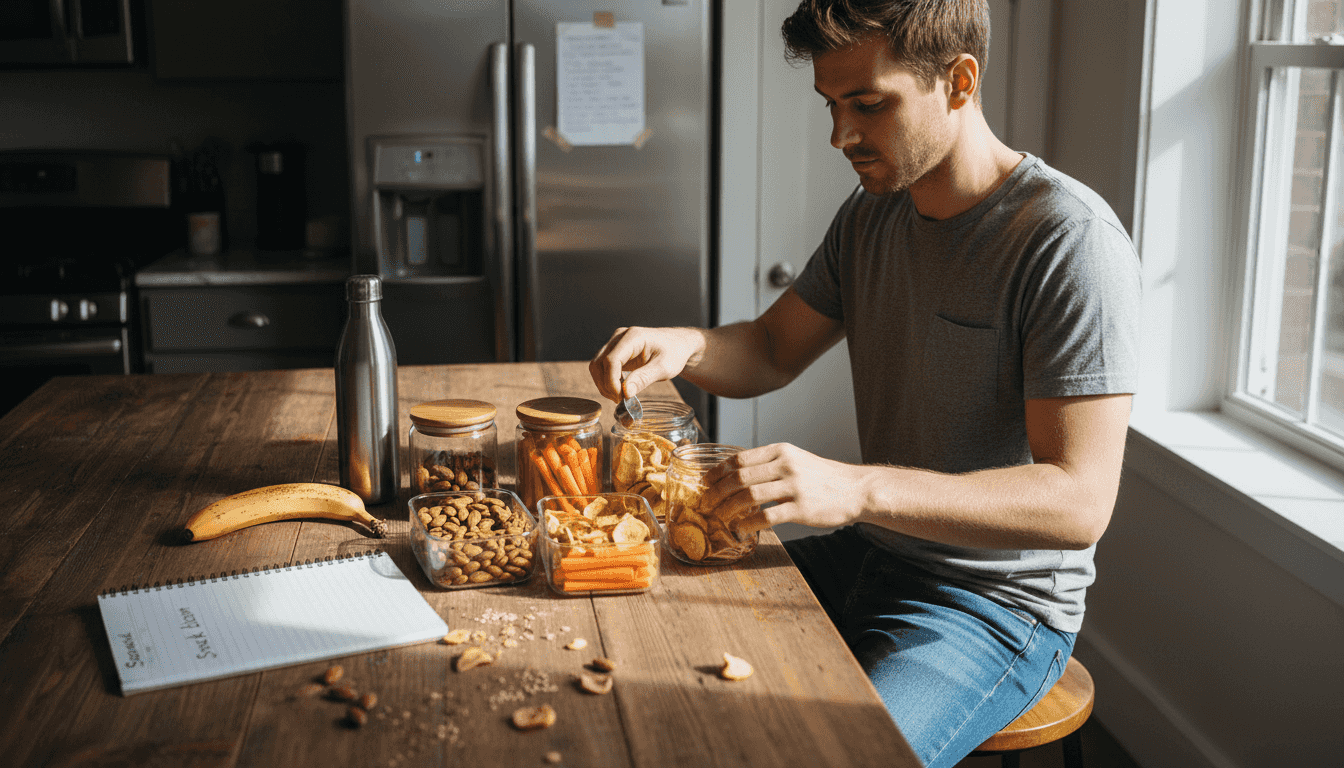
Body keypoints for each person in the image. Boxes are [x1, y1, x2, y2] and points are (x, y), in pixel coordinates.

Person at [588, 1, 1140, 766]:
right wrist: (685, 345)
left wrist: (857, 488)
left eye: (868, 105)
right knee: (650, 624)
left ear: (959, 81)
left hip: (991, 608)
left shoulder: (1067, 241)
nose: (840, 136)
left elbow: (1080, 501)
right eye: (831, 105)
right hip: (874, 556)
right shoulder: (873, 217)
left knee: (834, 754)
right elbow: (773, 348)